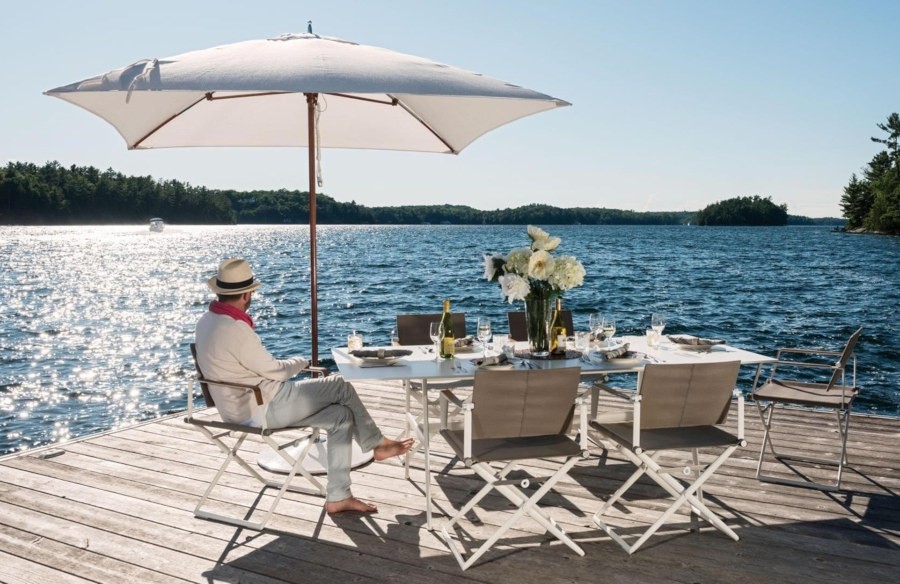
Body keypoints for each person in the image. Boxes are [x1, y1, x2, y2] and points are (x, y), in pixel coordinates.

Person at [194, 258, 414, 514]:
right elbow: (274, 371)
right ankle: (378, 444)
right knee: (340, 385)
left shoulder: (206, 322)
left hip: (235, 408)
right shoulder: (235, 328)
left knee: (340, 417)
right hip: (262, 407)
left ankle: (338, 497)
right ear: (246, 294)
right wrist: (301, 362)